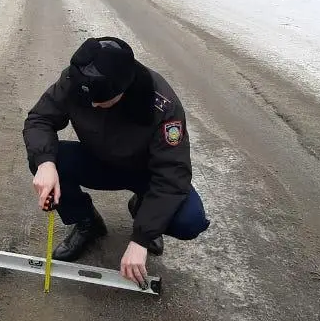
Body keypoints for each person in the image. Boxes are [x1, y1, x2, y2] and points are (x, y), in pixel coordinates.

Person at [22, 36, 210, 287]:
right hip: (98, 161)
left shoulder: (162, 105)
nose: (92, 104)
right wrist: (46, 164)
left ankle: (143, 209)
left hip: (147, 173)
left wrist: (141, 239)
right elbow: (39, 119)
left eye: (100, 100)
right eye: (87, 98)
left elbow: (173, 174)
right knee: (45, 159)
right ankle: (87, 221)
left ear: (123, 89)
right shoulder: (76, 79)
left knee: (189, 220)